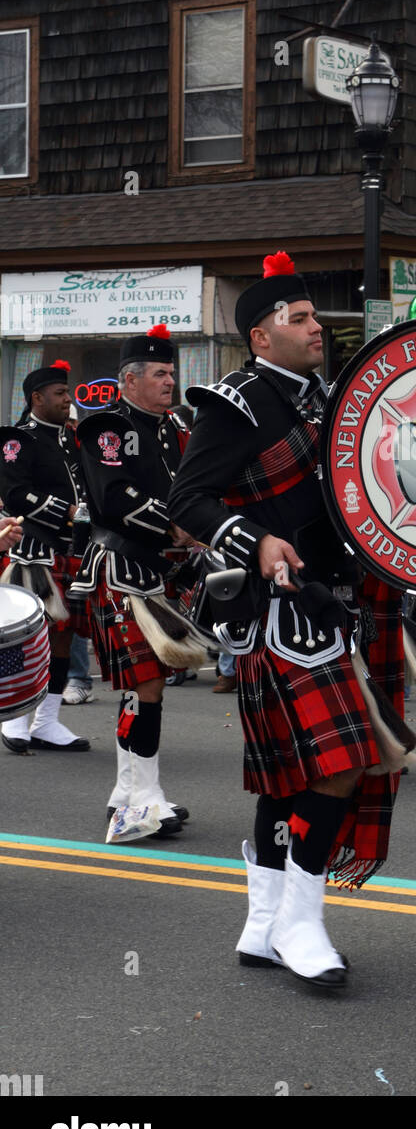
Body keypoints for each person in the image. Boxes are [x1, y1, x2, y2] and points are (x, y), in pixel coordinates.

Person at [167, 251, 406, 989]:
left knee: (285, 780)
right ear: (261, 337)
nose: (316, 329)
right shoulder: (234, 403)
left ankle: (264, 921)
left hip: (342, 602)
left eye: (313, 317)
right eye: (298, 319)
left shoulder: (331, 399)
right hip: (281, 612)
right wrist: (256, 538)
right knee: (339, 763)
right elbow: (188, 504)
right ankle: (302, 921)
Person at [71, 324, 196, 840]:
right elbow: (117, 496)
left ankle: (128, 791)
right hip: (120, 567)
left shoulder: (172, 428)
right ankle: (142, 800)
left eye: (171, 372)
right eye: (161, 374)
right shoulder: (106, 427)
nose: (171, 382)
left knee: (143, 684)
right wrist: (176, 525)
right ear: (130, 380)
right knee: (143, 684)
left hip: (153, 569)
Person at [0, 360, 91, 753]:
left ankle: (48, 721)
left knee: (64, 638)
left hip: (72, 550)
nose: (67, 400)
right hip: (32, 550)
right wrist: (66, 511)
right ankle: (16, 720)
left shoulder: (72, 438)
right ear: (37, 398)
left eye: (67, 393)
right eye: (59, 394)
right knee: (29, 637)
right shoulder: (18, 440)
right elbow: (15, 494)